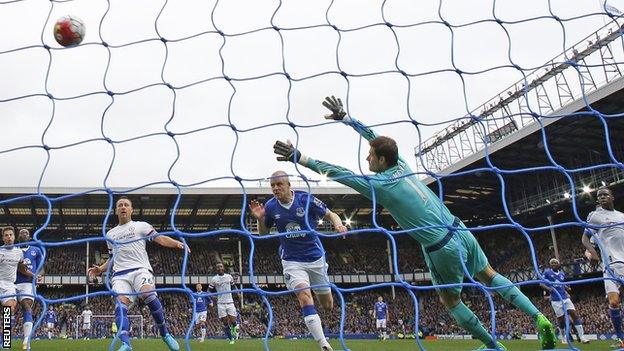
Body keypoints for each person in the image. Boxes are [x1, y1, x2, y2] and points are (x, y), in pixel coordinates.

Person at [272, 96, 558, 350]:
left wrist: (301, 157)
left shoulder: (382, 185)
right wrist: (348, 119)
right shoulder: (402, 164)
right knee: (490, 275)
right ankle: (539, 317)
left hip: (440, 247)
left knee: (452, 303)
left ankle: (494, 347)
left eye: (371, 155)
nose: (367, 157)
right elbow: (373, 135)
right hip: (460, 229)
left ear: (382, 160)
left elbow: (339, 172)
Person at [249, 171, 347, 351]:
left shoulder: (305, 199)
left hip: (315, 258)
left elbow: (331, 214)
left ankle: (320, 302)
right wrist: (261, 218)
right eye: (272, 186)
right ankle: (324, 345)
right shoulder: (270, 207)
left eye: (279, 184)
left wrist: (338, 224)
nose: (276, 188)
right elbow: (263, 234)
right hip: (292, 261)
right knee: (304, 295)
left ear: (288, 185)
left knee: (328, 305)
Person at [88, 196, 187, 351]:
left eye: (126, 205)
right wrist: (100, 269)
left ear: (131, 209)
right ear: (116, 210)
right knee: (120, 306)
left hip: (140, 269)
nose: (123, 207)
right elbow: (113, 257)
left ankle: (165, 334)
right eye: (120, 205)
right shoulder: (110, 234)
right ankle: (126, 344)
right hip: (120, 274)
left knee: (148, 294)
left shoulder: (141, 226)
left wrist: (176, 243)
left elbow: (159, 239)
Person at [582, 186, 624, 347]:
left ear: (612, 197)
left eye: (605, 194)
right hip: (610, 266)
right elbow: (586, 239)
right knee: (614, 302)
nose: (602, 197)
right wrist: (592, 252)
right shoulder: (595, 217)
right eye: (599, 196)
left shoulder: (621, 216)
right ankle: (621, 339)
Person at [0, 226, 34, 351]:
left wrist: (34, 275)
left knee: (9, 309)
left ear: (14, 237)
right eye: (6, 235)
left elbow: (21, 268)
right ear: (3, 238)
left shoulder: (19, 253)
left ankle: (5, 341)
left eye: (10, 235)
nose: (9, 237)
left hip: (9, 285)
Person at [540, 258, 589, 344]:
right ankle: (563, 337)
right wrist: (549, 289)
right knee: (561, 319)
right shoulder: (547, 273)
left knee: (574, 314)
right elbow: (541, 284)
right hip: (556, 300)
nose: (553, 264)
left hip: (565, 298)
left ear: (558, 264)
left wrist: (566, 288)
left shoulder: (562, 274)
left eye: (555, 263)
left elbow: (561, 284)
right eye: (552, 263)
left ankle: (582, 337)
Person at [14, 229, 43, 350]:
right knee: (8, 310)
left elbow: (42, 267)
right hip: (12, 283)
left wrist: (40, 274)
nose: (23, 234)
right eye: (21, 233)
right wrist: (34, 275)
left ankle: (27, 341)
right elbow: (21, 268)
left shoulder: (36, 250)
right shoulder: (13, 250)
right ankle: (5, 341)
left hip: (27, 284)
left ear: (29, 237)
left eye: (26, 233)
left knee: (26, 307)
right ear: (18, 236)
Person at [209, 263, 238, 344]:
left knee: (233, 321)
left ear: (223, 268)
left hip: (230, 302)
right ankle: (231, 339)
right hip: (221, 303)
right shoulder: (214, 279)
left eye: (221, 266)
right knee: (225, 322)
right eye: (218, 267)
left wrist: (237, 293)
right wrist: (211, 297)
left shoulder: (229, 276)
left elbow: (233, 286)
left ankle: (234, 330)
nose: (219, 268)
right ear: (216, 269)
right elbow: (209, 290)